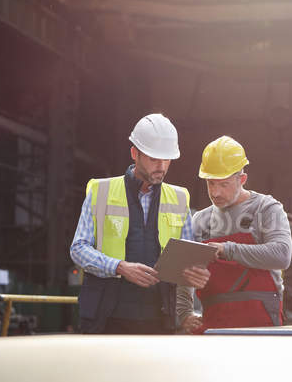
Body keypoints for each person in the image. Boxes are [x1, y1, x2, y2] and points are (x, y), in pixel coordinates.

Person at [70, 113, 211, 334]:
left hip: (160, 320)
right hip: (106, 319)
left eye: (167, 160)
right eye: (154, 159)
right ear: (135, 153)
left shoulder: (180, 198)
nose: (162, 166)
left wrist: (194, 274)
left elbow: (186, 260)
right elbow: (78, 249)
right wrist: (120, 267)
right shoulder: (100, 191)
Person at [177, 136, 292, 333]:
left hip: (262, 327)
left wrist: (227, 249)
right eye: (211, 183)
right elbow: (184, 272)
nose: (215, 193)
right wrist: (184, 314)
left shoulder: (265, 208)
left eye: (224, 184)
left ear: (242, 179)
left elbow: (282, 255)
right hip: (214, 327)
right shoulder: (199, 221)